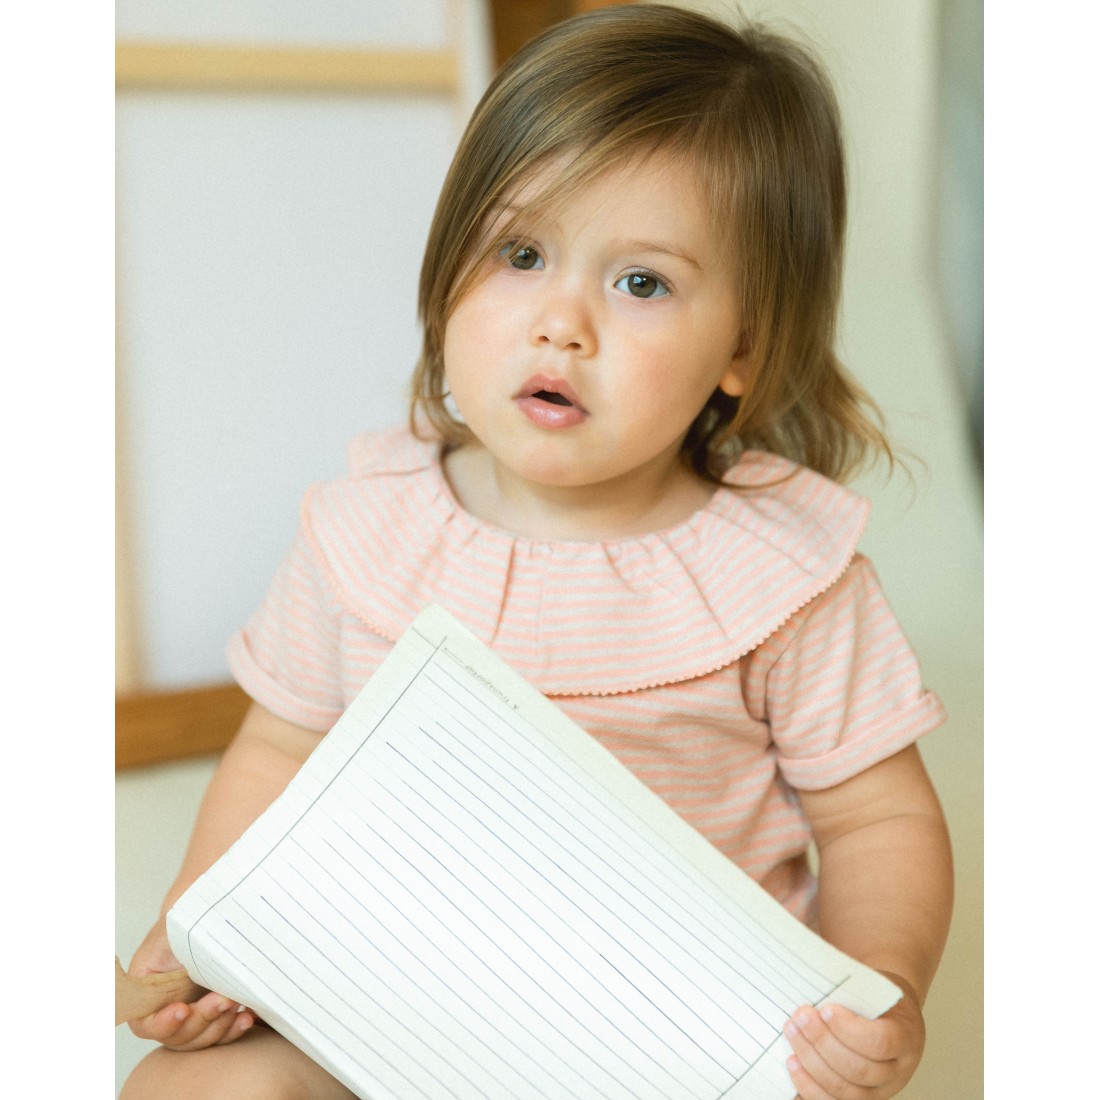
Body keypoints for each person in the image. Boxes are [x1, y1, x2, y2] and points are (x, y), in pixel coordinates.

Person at [121, 6, 953, 1099]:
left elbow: (875, 815)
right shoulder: (361, 531)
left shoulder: (782, 577)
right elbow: (276, 753)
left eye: (640, 281)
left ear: (742, 346)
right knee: (188, 1088)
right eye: (520, 253)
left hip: (664, 1038)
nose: (561, 322)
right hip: (383, 991)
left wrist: (877, 984)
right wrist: (206, 937)